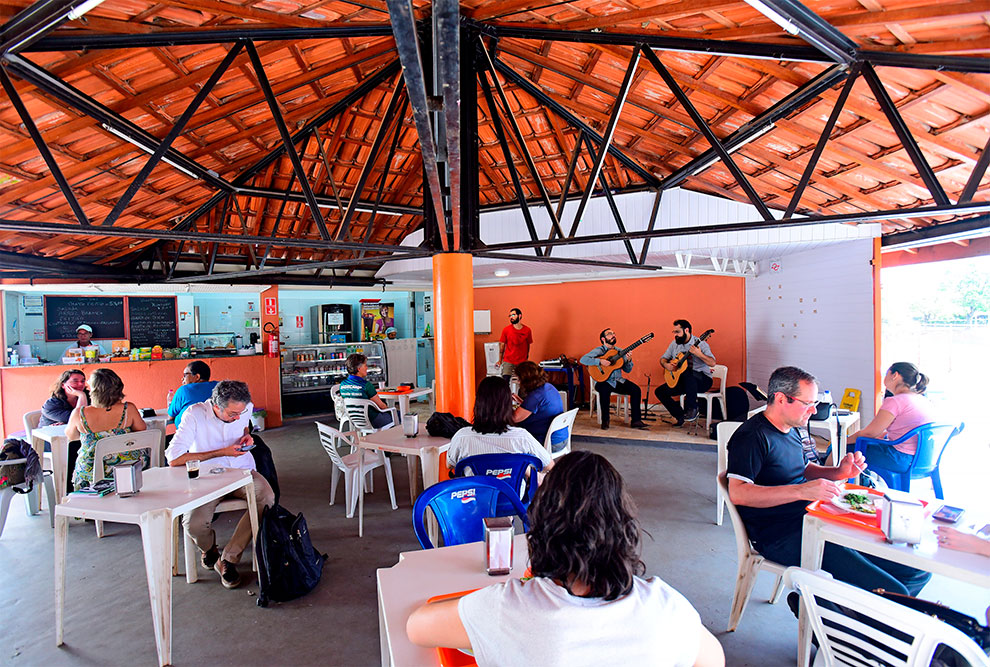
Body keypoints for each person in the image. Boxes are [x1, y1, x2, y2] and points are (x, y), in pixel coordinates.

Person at [407, 451, 725, 667]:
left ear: (542, 525)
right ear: (623, 525)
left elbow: (417, 627)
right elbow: (714, 659)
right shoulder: (668, 609)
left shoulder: (507, 609)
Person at [726, 366, 930, 597]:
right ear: (782, 399)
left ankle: (847, 615)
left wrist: (838, 472)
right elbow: (739, 493)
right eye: (808, 403)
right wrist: (801, 491)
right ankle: (837, 620)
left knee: (916, 572)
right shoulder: (752, 437)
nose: (813, 411)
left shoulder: (792, 429)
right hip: (780, 533)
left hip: (816, 518)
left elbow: (803, 469)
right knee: (891, 590)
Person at [165, 380, 275, 589]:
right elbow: (174, 458)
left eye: (240, 412)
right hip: (207, 476)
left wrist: (247, 438)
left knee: (267, 499)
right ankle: (210, 550)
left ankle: (229, 558)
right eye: (232, 414)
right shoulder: (194, 415)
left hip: (241, 470)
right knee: (193, 524)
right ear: (216, 405)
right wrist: (221, 452)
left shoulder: (244, 408)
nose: (237, 416)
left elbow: (244, 427)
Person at [847, 362, 935, 476]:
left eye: (886, 374)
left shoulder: (895, 401)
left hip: (902, 459)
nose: (884, 377)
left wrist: (842, 441)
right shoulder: (922, 400)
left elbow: (869, 433)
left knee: (845, 449)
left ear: (895, 375)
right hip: (924, 459)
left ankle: (834, 483)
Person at [65, 368, 147, 490]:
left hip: (91, 473)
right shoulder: (128, 409)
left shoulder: (79, 414)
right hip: (127, 469)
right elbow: (141, 430)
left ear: (94, 390)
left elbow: (72, 437)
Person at [446, 376, 551, 471]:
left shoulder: (462, 437)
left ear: (478, 404)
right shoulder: (522, 437)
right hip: (512, 492)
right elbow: (548, 465)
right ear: (507, 405)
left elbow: (450, 465)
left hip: (475, 492)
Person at [580, 328, 648, 430]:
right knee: (604, 391)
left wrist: (629, 360)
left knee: (636, 390)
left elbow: (627, 370)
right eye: (610, 334)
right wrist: (600, 362)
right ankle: (605, 421)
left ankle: (636, 421)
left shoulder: (620, 351)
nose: (613, 335)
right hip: (603, 381)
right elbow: (583, 359)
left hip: (617, 381)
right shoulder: (600, 350)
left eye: (614, 333)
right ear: (603, 339)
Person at [655, 319, 716, 427]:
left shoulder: (701, 344)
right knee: (660, 391)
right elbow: (663, 359)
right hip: (684, 381)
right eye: (674, 332)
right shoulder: (674, 344)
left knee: (687, 372)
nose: (675, 335)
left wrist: (699, 354)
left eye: (677, 332)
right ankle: (680, 415)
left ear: (686, 330)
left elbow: (712, 363)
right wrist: (666, 365)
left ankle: (692, 408)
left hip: (702, 380)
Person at [512, 361, 567, 451]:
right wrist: (521, 401)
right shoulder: (548, 387)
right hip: (561, 438)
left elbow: (514, 418)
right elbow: (539, 408)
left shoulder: (535, 396)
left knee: (511, 438)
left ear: (526, 379)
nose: (518, 382)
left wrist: (500, 408)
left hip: (548, 441)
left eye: (519, 379)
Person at [338, 353, 394, 429]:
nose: (367, 368)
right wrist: (391, 411)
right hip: (373, 421)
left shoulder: (342, 385)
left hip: (355, 422)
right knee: (400, 416)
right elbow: (381, 406)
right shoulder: (366, 385)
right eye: (365, 365)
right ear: (359, 369)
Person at [166, 360, 219, 427]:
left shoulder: (184, 390)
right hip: (214, 433)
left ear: (197, 377)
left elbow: (170, 416)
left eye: (185, 375)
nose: (182, 379)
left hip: (188, 435)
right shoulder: (219, 387)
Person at [497, 308, 532, 381]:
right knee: (505, 379)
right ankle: (506, 393)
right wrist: (500, 360)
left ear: (519, 316)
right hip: (508, 360)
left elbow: (528, 345)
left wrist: (526, 358)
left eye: (513, 315)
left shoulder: (527, 330)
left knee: (524, 381)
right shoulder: (506, 330)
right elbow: (502, 346)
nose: (511, 317)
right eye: (510, 316)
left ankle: (520, 393)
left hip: (522, 361)